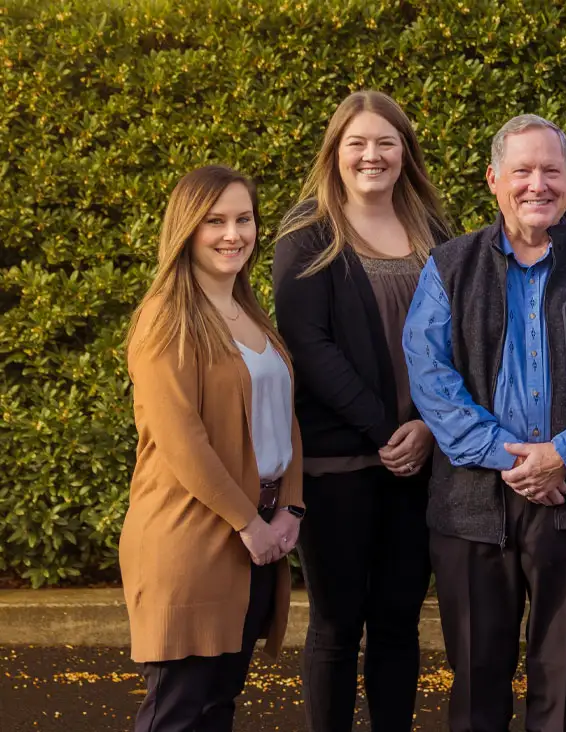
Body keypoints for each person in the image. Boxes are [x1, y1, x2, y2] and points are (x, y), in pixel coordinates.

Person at [403, 114, 566, 732]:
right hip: (471, 505)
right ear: (494, 179)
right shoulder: (449, 267)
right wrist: (510, 458)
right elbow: (430, 375)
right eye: (522, 170)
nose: (536, 183)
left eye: (550, 170)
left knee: (565, 686)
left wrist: (563, 454)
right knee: (476, 684)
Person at [272, 90, 455, 732]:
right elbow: (309, 346)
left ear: (405, 152)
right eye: (357, 143)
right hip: (339, 463)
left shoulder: (437, 233)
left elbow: (464, 341)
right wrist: (386, 430)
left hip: (423, 460)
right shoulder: (307, 233)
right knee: (337, 622)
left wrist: (432, 428)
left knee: (400, 622)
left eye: (385, 142)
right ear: (335, 152)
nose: (371, 155)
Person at [122, 164, 304, 732]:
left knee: (217, 710)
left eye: (243, 219)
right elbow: (183, 442)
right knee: (176, 714)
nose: (234, 234)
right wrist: (250, 522)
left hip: (259, 537)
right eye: (215, 221)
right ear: (186, 230)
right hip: (192, 540)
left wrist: (291, 509)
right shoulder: (166, 319)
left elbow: (286, 419)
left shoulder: (249, 312)